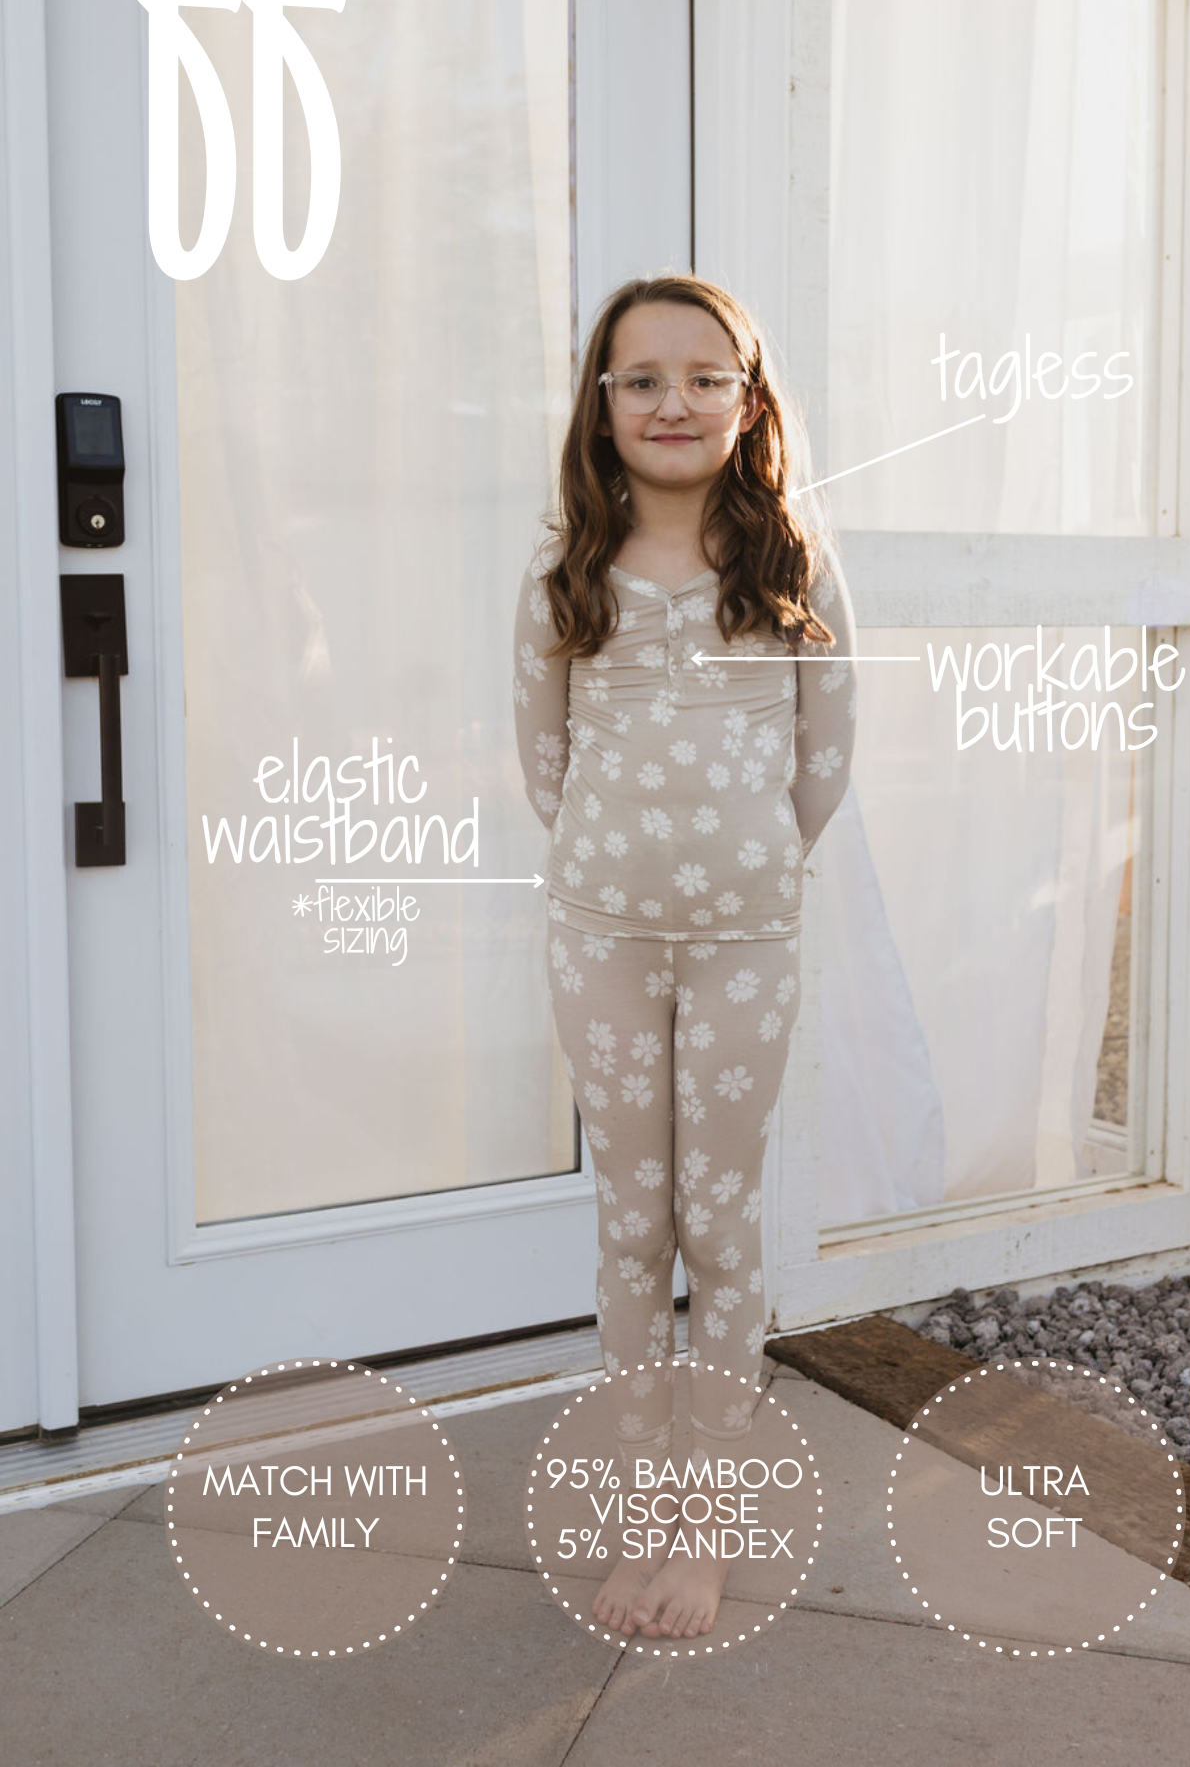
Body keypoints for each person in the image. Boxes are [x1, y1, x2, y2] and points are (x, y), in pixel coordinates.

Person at [512, 273, 857, 1638]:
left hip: (741, 946)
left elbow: (821, 769)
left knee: (719, 1226)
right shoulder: (563, 578)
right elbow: (546, 766)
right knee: (627, 1223)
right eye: (640, 379)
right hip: (599, 939)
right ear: (601, 408)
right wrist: (629, 866)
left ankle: (705, 1523)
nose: (672, 402)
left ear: (748, 398)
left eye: (702, 377)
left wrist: (732, 875)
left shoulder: (793, 570)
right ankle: (639, 1505)